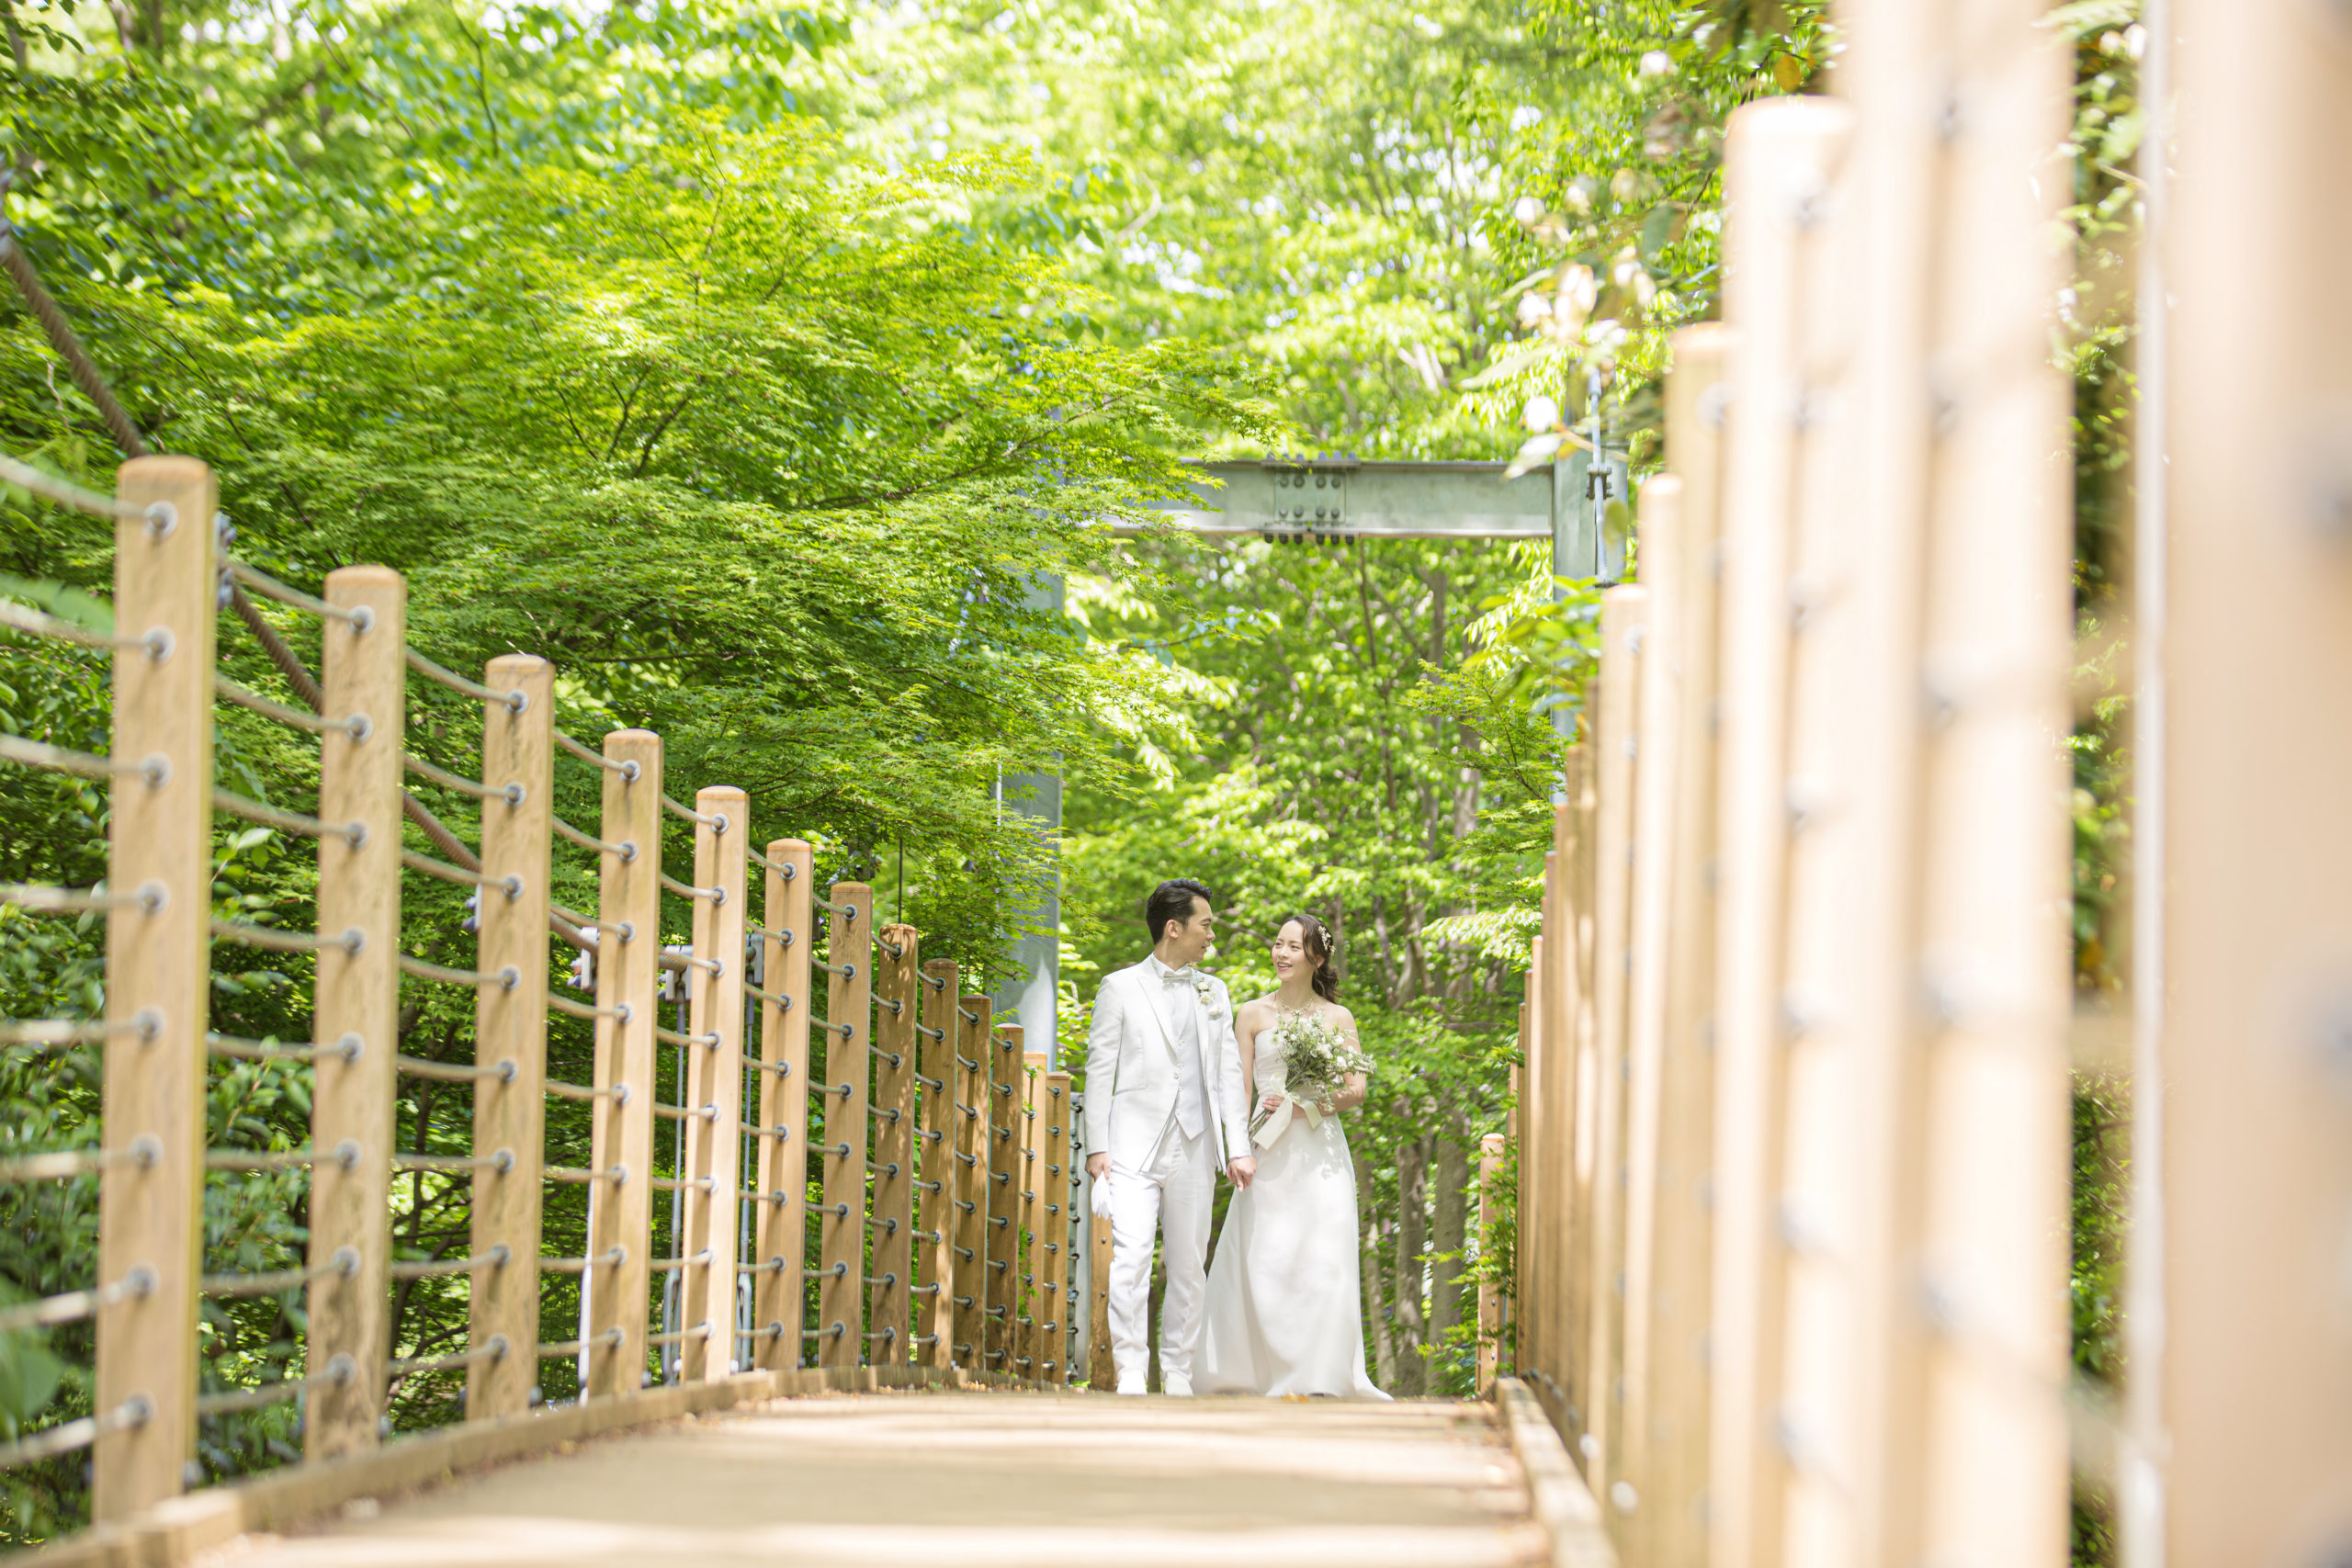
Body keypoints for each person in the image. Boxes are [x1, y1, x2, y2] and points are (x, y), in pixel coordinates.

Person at [1198, 913, 1389, 1399]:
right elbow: (1238, 1091)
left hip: (1320, 1153)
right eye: (1277, 944)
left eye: (1293, 947)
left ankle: (1319, 1375)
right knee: (1265, 1256)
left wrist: (1306, 1105)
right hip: (1265, 1149)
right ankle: (1258, 1372)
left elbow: (1356, 1090)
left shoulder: (1338, 1018)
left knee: (1323, 1259)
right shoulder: (1251, 1014)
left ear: (1316, 959)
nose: (1281, 954)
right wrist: (1236, 1149)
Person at [1082, 878, 1256, 1395]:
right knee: (1131, 1259)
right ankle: (1131, 1370)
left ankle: (1178, 1371)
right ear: (1174, 928)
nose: (1212, 936)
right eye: (1206, 925)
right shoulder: (1119, 987)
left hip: (1195, 1144)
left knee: (1188, 1264)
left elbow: (1228, 1074)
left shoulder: (1214, 991)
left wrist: (1238, 1147)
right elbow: (1100, 1068)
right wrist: (1097, 1147)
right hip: (1131, 1146)